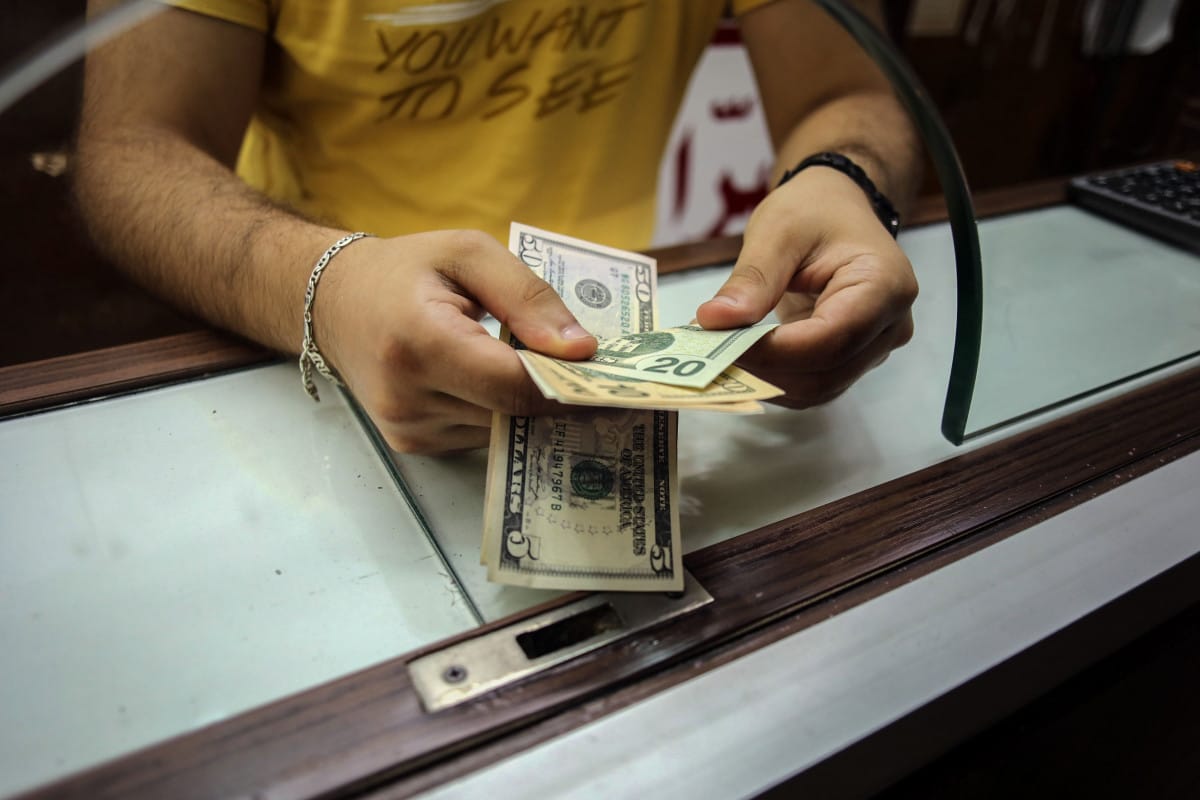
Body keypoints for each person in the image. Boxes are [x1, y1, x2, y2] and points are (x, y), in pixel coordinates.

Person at [74, 0, 921, 454]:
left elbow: (845, 92)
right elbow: (133, 147)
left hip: (623, 330)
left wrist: (845, 179)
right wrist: (327, 288)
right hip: (317, 349)